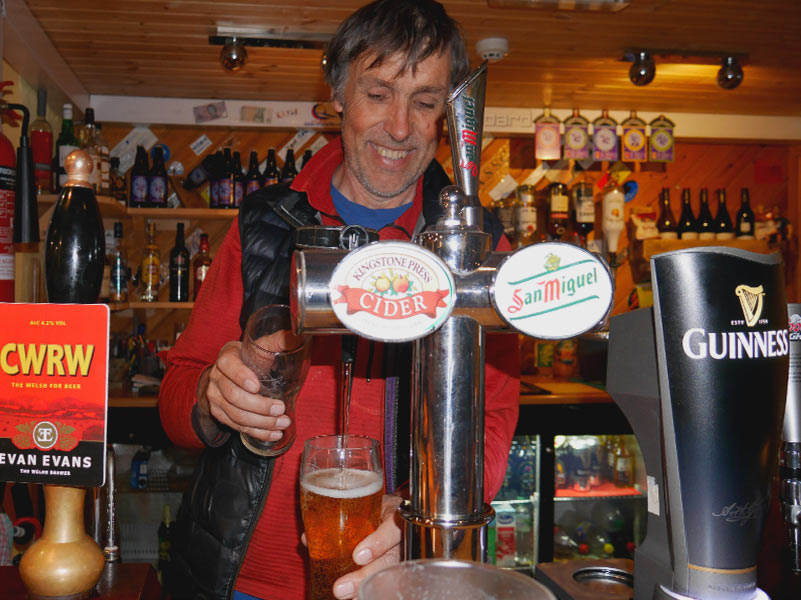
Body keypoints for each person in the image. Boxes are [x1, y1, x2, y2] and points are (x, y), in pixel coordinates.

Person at [158, 1, 520, 599]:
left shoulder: (479, 249)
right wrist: (210, 397)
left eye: (425, 102)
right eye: (378, 94)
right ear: (338, 97)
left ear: (447, 116)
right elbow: (176, 404)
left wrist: (424, 519)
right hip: (238, 582)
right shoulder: (263, 224)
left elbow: (494, 423)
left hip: (398, 578)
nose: (400, 127)